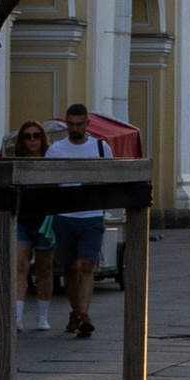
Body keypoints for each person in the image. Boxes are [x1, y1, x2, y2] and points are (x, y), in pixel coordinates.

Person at [46, 99, 112, 339]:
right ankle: (76, 312)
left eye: (80, 124)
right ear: (67, 123)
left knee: (86, 265)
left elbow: (110, 178)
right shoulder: (55, 150)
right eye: (71, 124)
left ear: (87, 124)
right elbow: (49, 183)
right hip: (64, 215)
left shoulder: (101, 148)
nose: (75, 129)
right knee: (69, 267)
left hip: (91, 214)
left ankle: (84, 315)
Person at [9, 117, 56, 333]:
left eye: (36, 135)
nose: (32, 140)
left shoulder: (51, 160)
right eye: (27, 136)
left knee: (44, 269)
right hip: (22, 219)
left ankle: (42, 316)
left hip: (45, 221)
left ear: (42, 138)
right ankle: (17, 317)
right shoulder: (15, 161)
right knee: (20, 266)